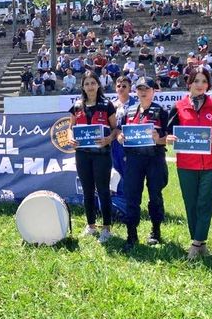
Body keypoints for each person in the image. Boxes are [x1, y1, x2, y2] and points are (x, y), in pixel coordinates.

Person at [166, 68, 212, 259]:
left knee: (205, 203)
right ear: (189, 82)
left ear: (208, 84)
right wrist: (170, 137)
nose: (200, 85)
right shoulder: (178, 106)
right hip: (186, 164)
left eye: (204, 81)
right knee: (190, 203)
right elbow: (169, 132)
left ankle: (196, 243)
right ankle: (200, 243)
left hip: (211, 164)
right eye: (196, 81)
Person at [118, 77, 169, 251]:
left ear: (154, 91)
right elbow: (119, 133)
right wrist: (120, 138)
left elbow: (168, 139)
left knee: (155, 195)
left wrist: (159, 139)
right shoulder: (129, 111)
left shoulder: (161, 111)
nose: (143, 92)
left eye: (147, 88)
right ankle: (131, 234)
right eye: (140, 89)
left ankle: (155, 231)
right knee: (132, 196)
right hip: (134, 160)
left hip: (155, 159)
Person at [68, 72, 118, 243]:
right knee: (87, 190)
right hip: (82, 155)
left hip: (102, 155)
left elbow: (116, 129)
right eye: (87, 83)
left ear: (98, 85)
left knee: (103, 190)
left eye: (93, 83)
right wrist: (70, 137)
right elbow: (70, 128)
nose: (90, 86)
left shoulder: (107, 105)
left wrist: (108, 139)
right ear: (82, 86)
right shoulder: (77, 106)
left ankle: (107, 228)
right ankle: (90, 225)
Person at [110, 77, 137, 199]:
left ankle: (129, 202)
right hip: (113, 145)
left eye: (124, 86)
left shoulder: (136, 105)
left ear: (130, 88)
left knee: (128, 174)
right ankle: (117, 202)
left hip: (128, 145)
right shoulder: (111, 105)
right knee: (114, 173)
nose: (121, 88)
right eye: (119, 86)